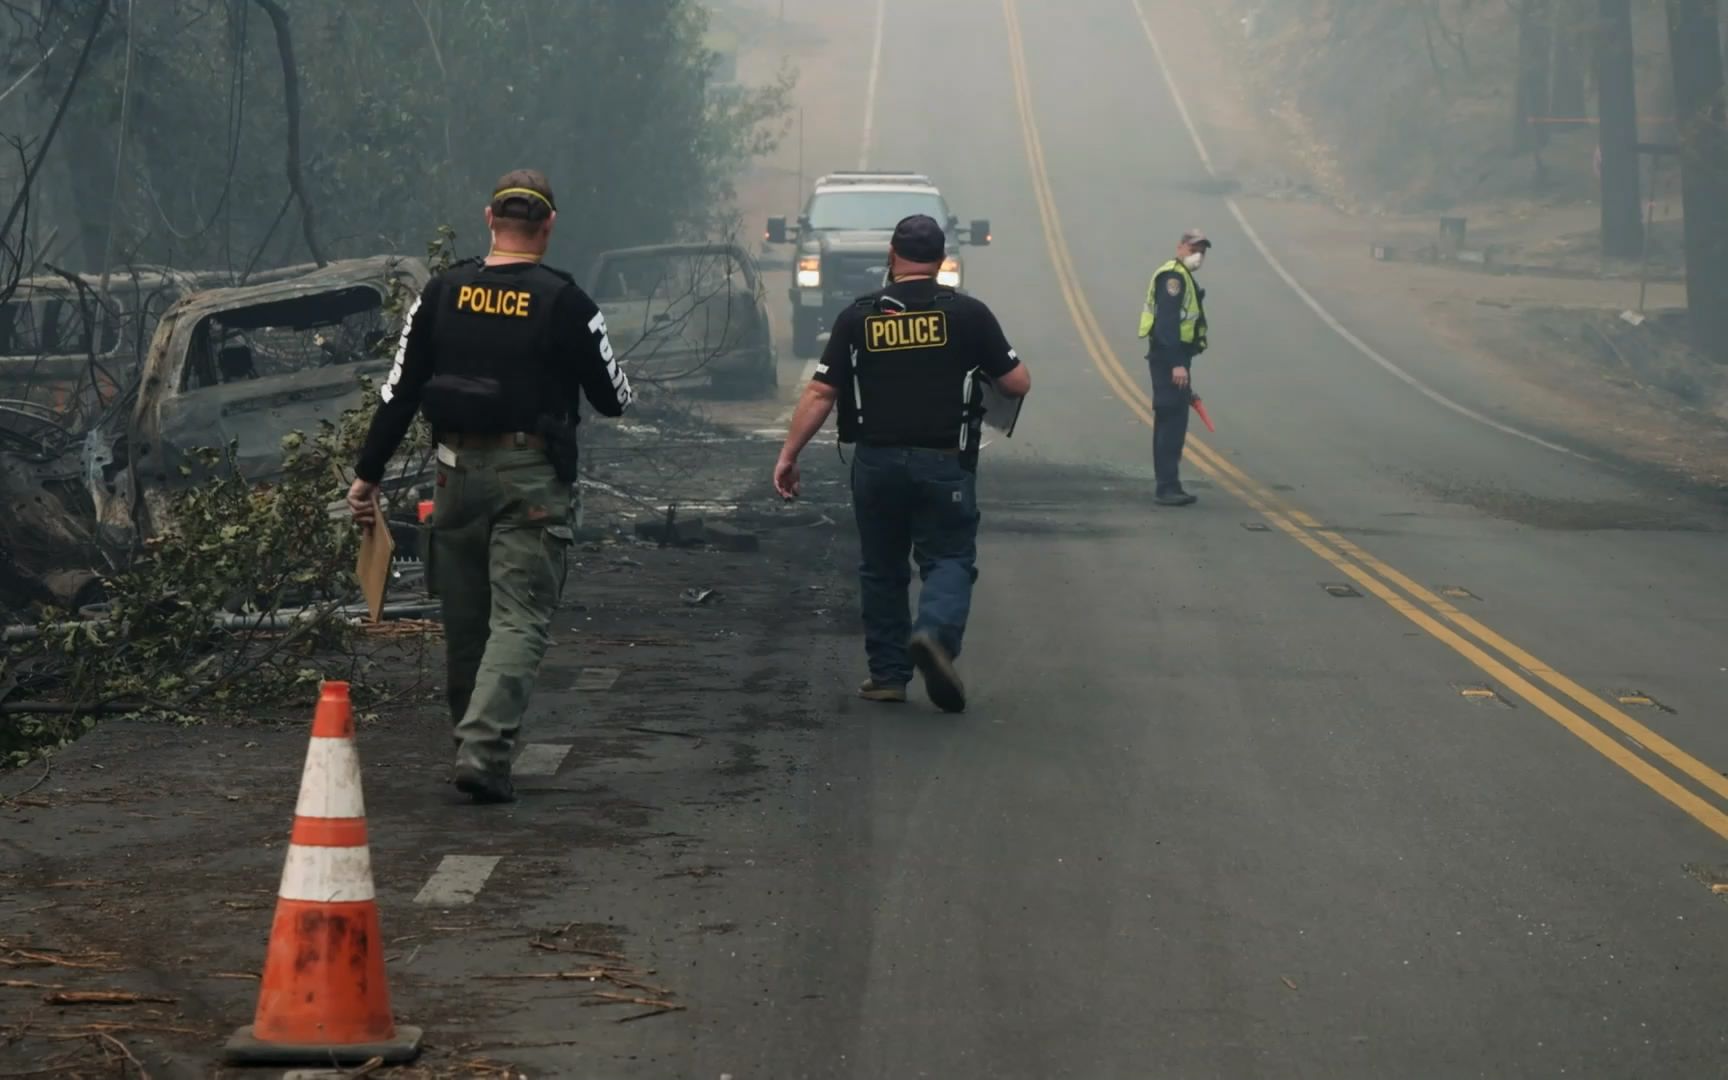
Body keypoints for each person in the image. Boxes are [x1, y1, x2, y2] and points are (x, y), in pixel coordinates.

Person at [346, 169, 633, 804]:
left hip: (454, 478)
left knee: (466, 618)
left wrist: (367, 478)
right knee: (520, 617)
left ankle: (471, 747)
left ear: (488, 219)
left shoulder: (442, 293)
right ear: (549, 226)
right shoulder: (566, 301)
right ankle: (483, 748)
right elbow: (613, 397)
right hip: (529, 478)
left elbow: (398, 392)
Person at [773, 215, 1031, 714]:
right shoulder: (969, 315)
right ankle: (933, 634)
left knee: (881, 568)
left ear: (892, 255)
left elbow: (822, 390)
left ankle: (889, 676)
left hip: (876, 464)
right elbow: (1016, 383)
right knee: (949, 558)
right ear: (940, 261)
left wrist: (789, 455)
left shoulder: (858, 316)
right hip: (944, 464)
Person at [1137, 228, 1212, 506]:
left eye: (1202, 251)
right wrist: (1177, 364)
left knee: (1173, 420)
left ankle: (1170, 484)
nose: (1198, 256)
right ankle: (1166, 487)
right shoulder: (1173, 279)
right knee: (1171, 422)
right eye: (1193, 250)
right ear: (1180, 247)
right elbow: (1167, 324)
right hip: (1170, 359)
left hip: (1173, 358)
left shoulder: (1183, 277)